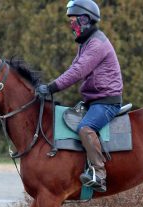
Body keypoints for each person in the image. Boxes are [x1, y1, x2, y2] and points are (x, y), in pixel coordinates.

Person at [36, 0, 123, 193]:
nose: (70, 23)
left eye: (73, 18)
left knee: (85, 128)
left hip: (106, 101)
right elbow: (74, 68)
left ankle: (99, 174)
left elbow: (77, 71)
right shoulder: (86, 43)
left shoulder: (96, 44)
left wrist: (51, 87)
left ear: (85, 19)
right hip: (94, 100)